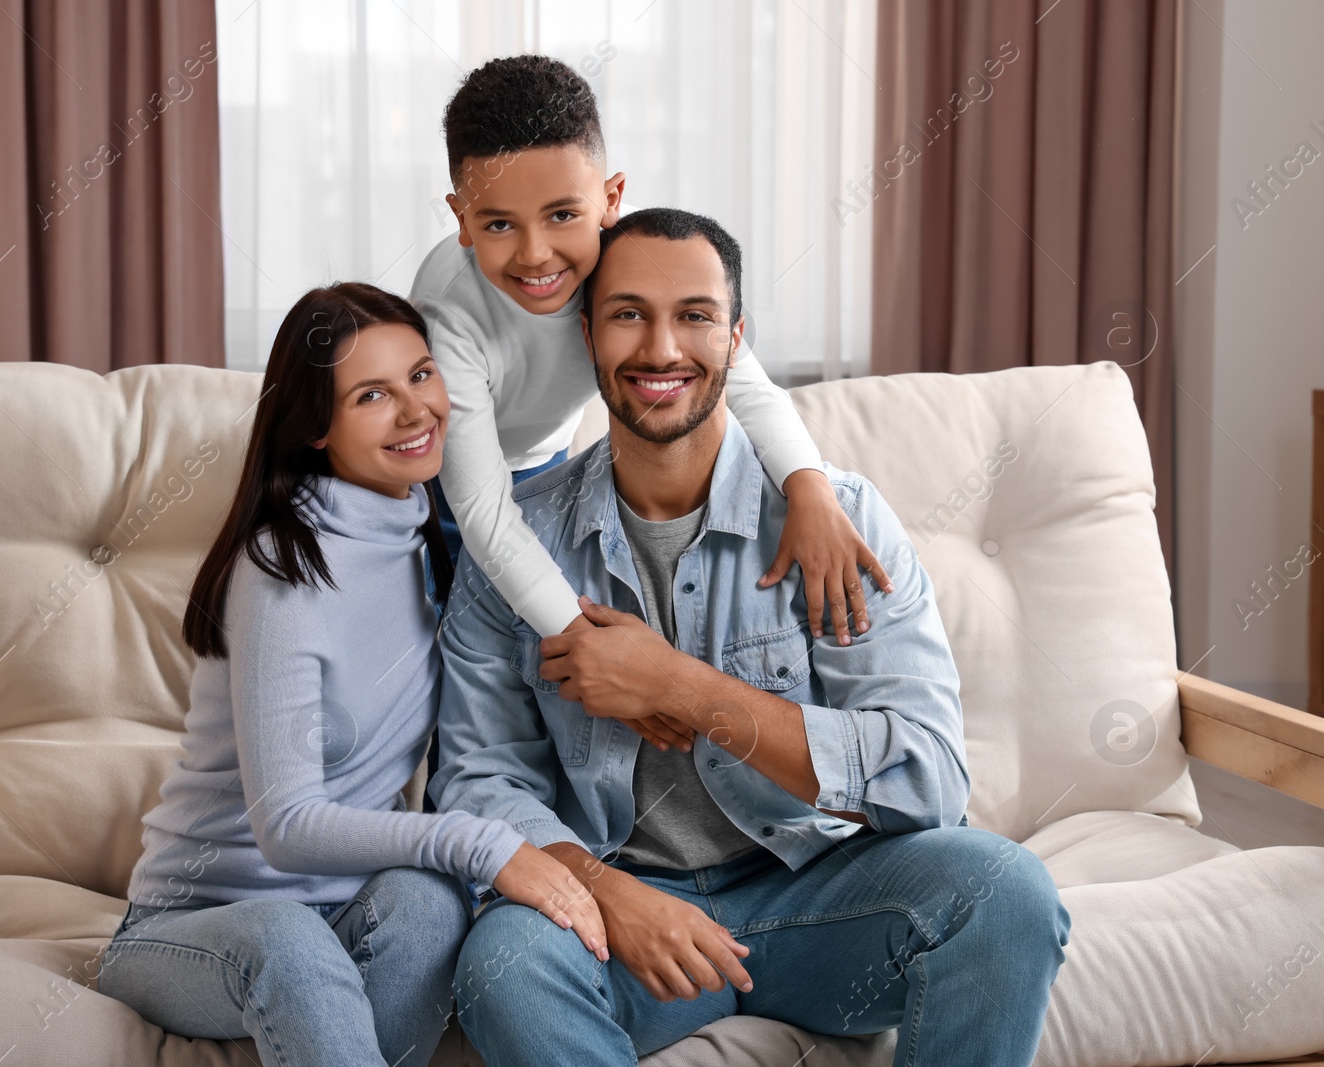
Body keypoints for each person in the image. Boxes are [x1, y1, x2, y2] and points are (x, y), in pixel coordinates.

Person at [429, 209, 1071, 1067]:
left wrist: (679, 688)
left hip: (817, 898)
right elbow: (478, 778)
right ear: (586, 336)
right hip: (630, 917)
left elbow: (929, 777)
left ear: (737, 337)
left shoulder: (836, 522)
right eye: (628, 314)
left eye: (694, 315)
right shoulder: (514, 549)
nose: (662, 349)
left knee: (1006, 890)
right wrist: (604, 889)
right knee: (501, 963)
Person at [95, 283, 606, 1067]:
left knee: (431, 903)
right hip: (194, 925)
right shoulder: (281, 571)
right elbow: (288, 824)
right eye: (372, 395)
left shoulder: (433, 538)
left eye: (423, 374)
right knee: (288, 936)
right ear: (315, 427)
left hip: (343, 913)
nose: (416, 410)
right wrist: (486, 845)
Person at [411, 54, 892, 668]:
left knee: (555, 642)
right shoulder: (449, 313)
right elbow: (482, 511)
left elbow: (740, 379)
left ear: (611, 199)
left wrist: (811, 491)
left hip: (547, 466)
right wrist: (597, 648)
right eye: (499, 223)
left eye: (563, 215)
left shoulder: (627, 264)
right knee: (467, 647)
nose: (536, 256)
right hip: (449, 486)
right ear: (462, 220)